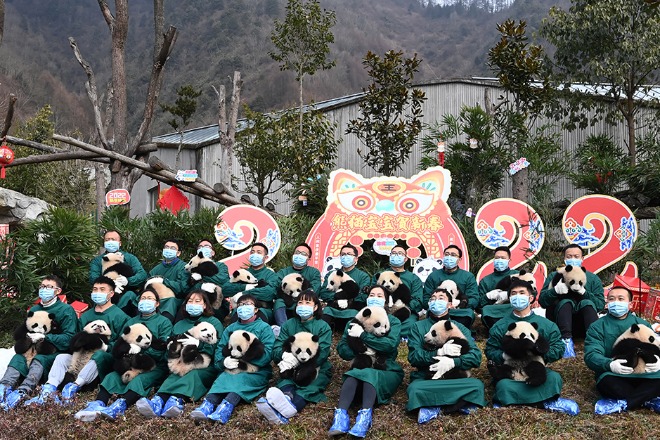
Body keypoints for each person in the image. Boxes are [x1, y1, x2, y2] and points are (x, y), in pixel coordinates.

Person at [24, 276, 129, 406]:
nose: (97, 293)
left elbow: (122, 345)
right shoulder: (86, 316)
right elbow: (74, 339)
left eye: (102, 290)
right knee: (62, 357)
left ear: (111, 293)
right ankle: (49, 389)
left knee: (99, 355)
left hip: (102, 360)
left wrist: (105, 346)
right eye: (95, 289)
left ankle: (73, 387)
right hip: (81, 357)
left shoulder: (120, 316)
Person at [74, 289, 173, 421]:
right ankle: (98, 403)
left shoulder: (163, 322)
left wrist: (143, 351)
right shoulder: (131, 321)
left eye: (150, 298)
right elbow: (120, 342)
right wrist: (127, 349)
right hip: (129, 362)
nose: (145, 301)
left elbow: (162, 348)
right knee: (112, 377)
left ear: (157, 304)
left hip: (153, 365)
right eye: (143, 298)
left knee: (139, 380)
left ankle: (120, 405)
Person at [485, 279, 579, 415]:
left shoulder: (547, 325)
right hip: (512, 369)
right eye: (513, 294)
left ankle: (515, 400)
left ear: (530, 297)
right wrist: (505, 355)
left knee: (554, 378)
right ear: (509, 298)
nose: (517, 296)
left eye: (521, 293)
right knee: (503, 385)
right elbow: (490, 350)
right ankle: (541, 401)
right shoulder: (500, 325)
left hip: (535, 369)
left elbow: (558, 348)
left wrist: (538, 352)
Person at [328, 285, 404, 438]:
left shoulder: (393, 321)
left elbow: (389, 345)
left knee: (367, 374)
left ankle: (364, 417)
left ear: (386, 300)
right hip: (361, 365)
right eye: (372, 294)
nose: (374, 298)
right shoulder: (355, 320)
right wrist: (360, 350)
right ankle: (341, 416)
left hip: (386, 368)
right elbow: (342, 349)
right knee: (353, 374)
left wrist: (363, 337)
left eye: (379, 295)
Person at [136, 289, 224, 418]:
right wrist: (171, 349)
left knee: (193, 375)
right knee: (174, 375)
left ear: (205, 305)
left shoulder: (213, 322)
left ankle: (177, 400)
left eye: (197, 301)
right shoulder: (179, 325)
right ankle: (158, 400)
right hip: (181, 362)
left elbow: (217, 346)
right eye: (190, 301)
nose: (193, 304)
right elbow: (171, 348)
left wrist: (199, 344)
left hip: (203, 364)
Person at [189, 294, 275, 424]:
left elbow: (268, 353)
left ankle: (226, 407)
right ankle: (208, 405)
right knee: (223, 378)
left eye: (248, 304)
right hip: (231, 366)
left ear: (256, 309)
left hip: (255, 370)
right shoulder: (230, 328)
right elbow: (220, 349)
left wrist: (246, 359)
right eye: (240, 305)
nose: (243, 308)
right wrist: (223, 362)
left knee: (240, 380)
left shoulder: (264, 328)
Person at [407, 287, 486, 424]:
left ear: (450, 304)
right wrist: (437, 352)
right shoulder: (418, 327)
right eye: (432, 298)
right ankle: (458, 404)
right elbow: (414, 357)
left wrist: (454, 362)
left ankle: (434, 405)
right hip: (428, 378)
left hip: (456, 378)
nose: (436, 301)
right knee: (415, 388)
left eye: (441, 298)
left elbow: (476, 357)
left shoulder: (459, 328)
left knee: (477, 385)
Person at [0, 275, 79, 410]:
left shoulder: (66, 310)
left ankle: (24, 390)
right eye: (42, 286)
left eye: (49, 287)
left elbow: (70, 338)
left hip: (55, 351)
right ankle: (4, 387)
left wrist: (46, 338)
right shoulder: (34, 309)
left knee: (39, 359)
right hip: (32, 348)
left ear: (58, 291)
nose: (44, 290)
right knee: (18, 358)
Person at [256, 289, 332, 424]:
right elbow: (276, 349)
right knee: (286, 381)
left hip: (315, 367)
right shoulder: (289, 324)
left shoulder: (322, 326)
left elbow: (323, 353)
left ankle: (289, 408)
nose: (303, 306)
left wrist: (300, 362)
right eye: (300, 302)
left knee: (309, 387)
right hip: (290, 366)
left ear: (315, 307)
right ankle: (287, 399)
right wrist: (284, 355)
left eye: (307, 303)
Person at [585, 286, 660, 415]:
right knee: (606, 383)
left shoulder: (642, 324)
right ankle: (647, 399)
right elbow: (591, 354)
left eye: (621, 299)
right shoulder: (597, 326)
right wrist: (609, 364)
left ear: (630, 304)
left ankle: (627, 402)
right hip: (615, 375)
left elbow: (656, 346)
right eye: (612, 299)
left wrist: (658, 360)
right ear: (607, 303)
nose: (616, 302)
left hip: (645, 374)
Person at [539, 244, 604, 358]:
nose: (572, 259)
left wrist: (585, 293)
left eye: (576, 256)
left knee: (587, 303)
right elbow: (543, 301)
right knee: (566, 302)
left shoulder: (592, 279)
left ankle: (594, 341)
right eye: (569, 256)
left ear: (582, 258)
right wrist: (555, 291)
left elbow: (600, 305)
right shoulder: (555, 276)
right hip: (560, 324)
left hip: (583, 325)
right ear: (564, 259)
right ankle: (566, 343)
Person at [88, 230, 148, 313]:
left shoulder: (130, 258)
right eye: (107, 240)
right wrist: (109, 283)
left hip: (126, 293)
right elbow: (93, 277)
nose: (110, 242)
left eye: (113, 239)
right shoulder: (98, 261)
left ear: (120, 243)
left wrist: (128, 281)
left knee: (130, 295)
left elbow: (142, 275)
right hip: (105, 294)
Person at [371, 245, 423, 338]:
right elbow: (372, 292)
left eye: (400, 254)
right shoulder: (381, 275)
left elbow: (418, 299)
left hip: (403, 310)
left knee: (411, 324)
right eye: (394, 253)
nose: (396, 256)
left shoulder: (413, 278)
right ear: (390, 256)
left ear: (406, 258)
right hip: (382, 308)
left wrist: (404, 306)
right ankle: (390, 330)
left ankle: (385, 331)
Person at [423, 245, 479, 329]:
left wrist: (459, 304)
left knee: (468, 313)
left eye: (453, 255)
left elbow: (474, 299)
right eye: (446, 254)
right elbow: (425, 298)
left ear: (459, 259)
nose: (449, 257)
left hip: (459, 310)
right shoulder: (433, 276)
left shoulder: (468, 276)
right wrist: (438, 305)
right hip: (437, 310)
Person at [320, 244, 371, 332]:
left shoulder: (363, 276)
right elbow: (324, 293)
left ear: (356, 259)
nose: (345, 256)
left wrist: (347, 299)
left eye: (349, 254)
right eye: (343, 254)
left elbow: (362, 296)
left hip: (353, 309)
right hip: (333, 307)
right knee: (324, 317)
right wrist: (337, 297)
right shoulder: (332, 274)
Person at [222, 243, 278, 323]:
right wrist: (244, 287)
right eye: (252, 252)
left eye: (259, 252)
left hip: (262, 309)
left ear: (265, 258)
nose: (255, 254)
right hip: (240, 308)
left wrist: (244, 293)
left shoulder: (270, 275)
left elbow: (270, 292)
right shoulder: (242, 273)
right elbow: (225, 289)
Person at [274, 243, 322, 330]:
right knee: (278, 301)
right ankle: (284, 329)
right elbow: (275, 288)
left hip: (304, 305)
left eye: (303, 254)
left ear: (309, 258)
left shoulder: (314, 272)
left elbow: (314, 289)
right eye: (297, 252)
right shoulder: (283, 272)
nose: (299, 255)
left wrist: (299, 298)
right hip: (287, 304)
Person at [187, 239, 230, 320]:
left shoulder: (221, 266)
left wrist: (201, 275)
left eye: (206, 246)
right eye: (200, 247)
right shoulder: (191, 266)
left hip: (216, 303)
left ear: (213, 252)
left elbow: (222, 280)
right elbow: (189, 286)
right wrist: (201, 285)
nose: (203, 248)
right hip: (194, 302)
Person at [478, 246, 519, 330]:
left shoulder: (518, 275)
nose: (499, 260)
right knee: (486, 310)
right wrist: (488, 296)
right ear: (493, 260)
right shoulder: (485, 280)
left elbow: (530, 292)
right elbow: (479, 304)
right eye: (497, 258)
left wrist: (509, 295)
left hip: (512, 308)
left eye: (503, 258)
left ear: (509, 260)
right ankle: (496, 332)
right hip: (494, 311)